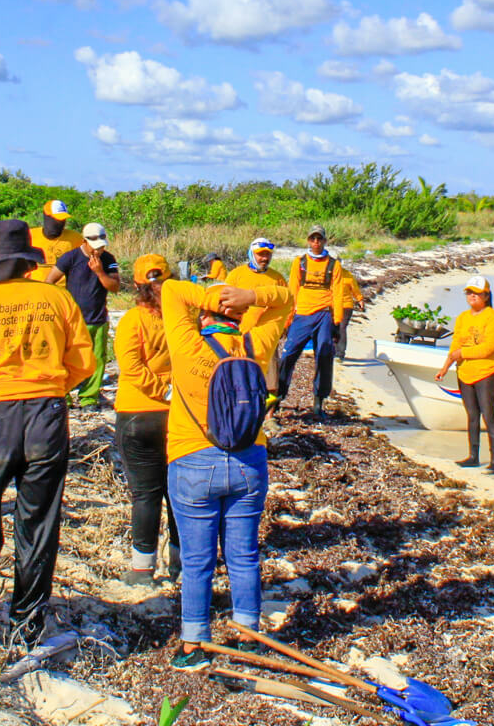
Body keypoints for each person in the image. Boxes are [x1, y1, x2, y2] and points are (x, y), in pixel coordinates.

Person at [0, 219, 95, 642]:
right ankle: (26, 623)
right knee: (39, 522)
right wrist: (52, 389)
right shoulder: (56, 298)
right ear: (28, 260)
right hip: (47, 414)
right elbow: (84, 362)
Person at [162, 274, 290, 671]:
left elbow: (170, 290)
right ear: (239, 316)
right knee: (244, 555)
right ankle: (249, 636)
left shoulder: (187, 344)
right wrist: (249, 295)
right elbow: (286, 301)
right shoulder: (257, 344)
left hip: (192, 459)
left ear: (204, 315)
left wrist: (212, 295)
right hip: (249, 461)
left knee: (198, 560)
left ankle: (193, 644)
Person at [113, 254, 179, 585]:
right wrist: (171, 394)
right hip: (177, 417)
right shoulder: (183, 319)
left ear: (137, 286)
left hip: (137, 415)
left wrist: (159, 392)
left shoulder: (131, 320)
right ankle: (182, 563)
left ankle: (142, 570)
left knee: (146, 495)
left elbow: (131, 368)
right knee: (178, 493)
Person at [46, 221, 121, 408]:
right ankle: (64, 395)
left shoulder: (108, 259)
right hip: (73, 320)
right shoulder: (70, 258)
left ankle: (89, 396)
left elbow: (115, 287)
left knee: (97, 359)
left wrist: (99, 272)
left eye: (102, 246)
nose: (99, 250)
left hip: (98, 318)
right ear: (85, 242)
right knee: (67, 359)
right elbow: (50, 282)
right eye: (96, 246)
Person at [434, 275, 494, 473]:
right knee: (472, 415)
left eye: (476, 293)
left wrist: (462, 353)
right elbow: (456, 343)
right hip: (464, 373)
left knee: (489, 416)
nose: (472, 296)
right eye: (469, 292)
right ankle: (473, 456)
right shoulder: (463, 317)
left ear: (486, 295)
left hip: (485, 374)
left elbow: (489, 348)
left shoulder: (493, 317)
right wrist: (446, 366)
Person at [276, 225, 347, 418]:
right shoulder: (299, 263)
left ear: (324, 241)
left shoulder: (334, 265)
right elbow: (292, 289)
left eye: (319, 239)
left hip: (324, 313)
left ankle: (318, 401)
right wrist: (288, 318)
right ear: (308, 241)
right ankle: (277, 397)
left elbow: (338, 293)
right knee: (288, 354)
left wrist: (337, 321)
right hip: (302, 314)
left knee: (324, 355)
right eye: (313, 239)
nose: (316, 242)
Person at [224, 238, 294, 393]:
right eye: (260, 254)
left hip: (267, 336)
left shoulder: (277, 278)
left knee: (270, 380)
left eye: (267, 255)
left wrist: (284, 326)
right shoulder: (237, 275)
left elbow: (289, 303)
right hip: (240, 334)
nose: (264, 258)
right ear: (251, 254)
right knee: (237, 377)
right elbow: (223, 301)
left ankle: (268, 415)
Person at [26, 198, 83, 282]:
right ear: (46, 217)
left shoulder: (76, 239)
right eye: (56, 219)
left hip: (63, 291)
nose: (60, 223)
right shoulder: (29, 236)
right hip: (36, 290)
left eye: (63, 219)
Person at [333, 265, 366, 362]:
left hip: (346, 306)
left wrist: (360, 300)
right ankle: (333, 351)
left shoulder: (348, 275)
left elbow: (354, 289)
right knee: (333, 328)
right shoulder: (328, 274)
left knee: (342, 327)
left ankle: (340, 354)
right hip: (332, 305)